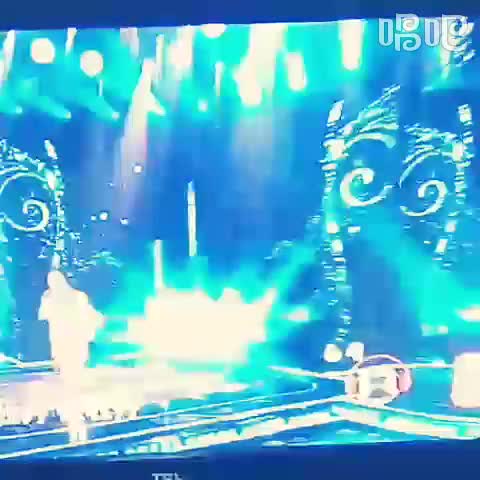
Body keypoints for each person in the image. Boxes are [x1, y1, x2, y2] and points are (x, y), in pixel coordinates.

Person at [38, 270, 104, 442]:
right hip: (65, 343)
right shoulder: (54, 298)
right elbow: (45, 318)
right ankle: (75, 413)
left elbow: (87, 318)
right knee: (70, 379)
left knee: (72, 379)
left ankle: (76, 414)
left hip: (72, 342)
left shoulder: (75, 297)